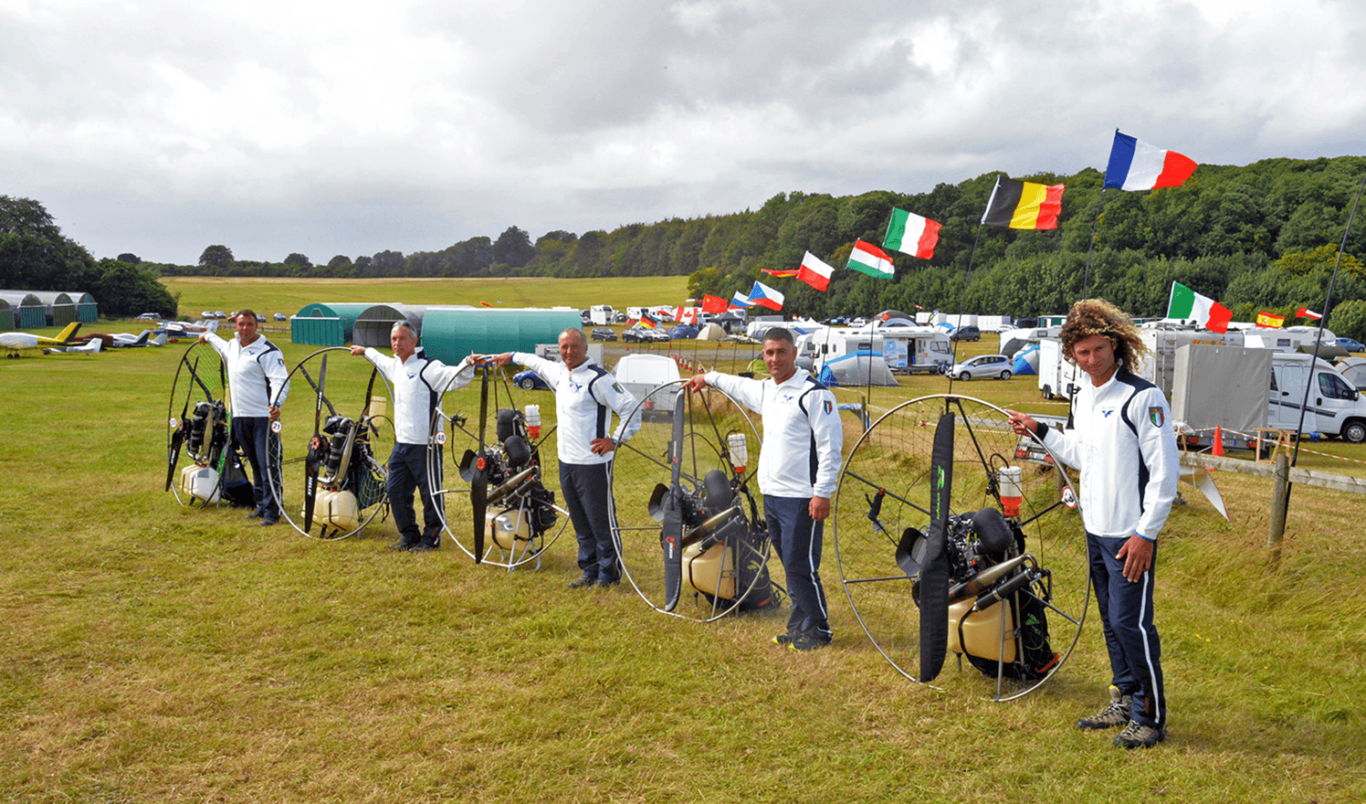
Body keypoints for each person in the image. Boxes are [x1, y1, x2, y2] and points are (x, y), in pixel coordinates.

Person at [1006, 298, 1177, 749]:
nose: (1092, 360)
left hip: (1130, 535)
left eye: (1099, 349)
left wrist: (1146, 534)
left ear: (1116, 345)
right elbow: (1082, 454)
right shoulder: (1083, 397)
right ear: (1071, 355)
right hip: (1095, 529)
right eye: (1082, 353)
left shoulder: (1143, 398)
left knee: (1131, 623)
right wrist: (1040, 431)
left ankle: (1151, 716)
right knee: (1109, 620)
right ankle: (1125, 698)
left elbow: (1164, 474)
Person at [686, 327, 843, 651]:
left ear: (794, 353)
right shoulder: (767, 390)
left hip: (802, 498)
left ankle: (819, 630)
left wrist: (822, 492)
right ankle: (798, 626)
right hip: (773, 495)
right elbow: (737, 385)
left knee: (803, 566)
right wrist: (708, 378)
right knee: (789, 564)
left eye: (781, 352)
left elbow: (830, 448)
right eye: (768, 352)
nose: (774, 359)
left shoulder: (814, 394)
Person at [486, 329, 640, 588]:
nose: (569, 352)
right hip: (566, 462)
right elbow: (534, 361)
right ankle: (589, 570)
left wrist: (614, 440)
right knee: (579, 519)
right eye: (564, 347)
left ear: (585, 348)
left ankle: (608, 574)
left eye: (574, 346)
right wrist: (510, 356)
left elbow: (631, 407)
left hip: (592, 465)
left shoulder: (599, 379)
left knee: (600, 520)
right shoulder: (559, 372)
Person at [351, 322, 480, 552]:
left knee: (430, 493)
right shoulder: (396, 366)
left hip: (426, 446)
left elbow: (453, 377)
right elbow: (380, 359)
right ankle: (408, 535)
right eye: (393, 339)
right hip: (402, 444)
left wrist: (467, 364)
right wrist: (365, 351)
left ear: (414, 341)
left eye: (401, 338)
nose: (396, 343)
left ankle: (431, 537)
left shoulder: (428, 368)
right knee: (395, 490)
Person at [201, 309, 290, 526]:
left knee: (268, 463)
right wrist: (207, 336)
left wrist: (276, 403)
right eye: (241, 324)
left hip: (263, 418)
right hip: (239, 417)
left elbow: (280, 379)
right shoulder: (232, 347)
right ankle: (260, 504)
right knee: (255, 464)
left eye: (249, 324)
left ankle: (273, 510)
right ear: (235, 326)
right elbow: (219, 344)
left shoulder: (268, 351)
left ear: (256, 326)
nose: (244, 329)